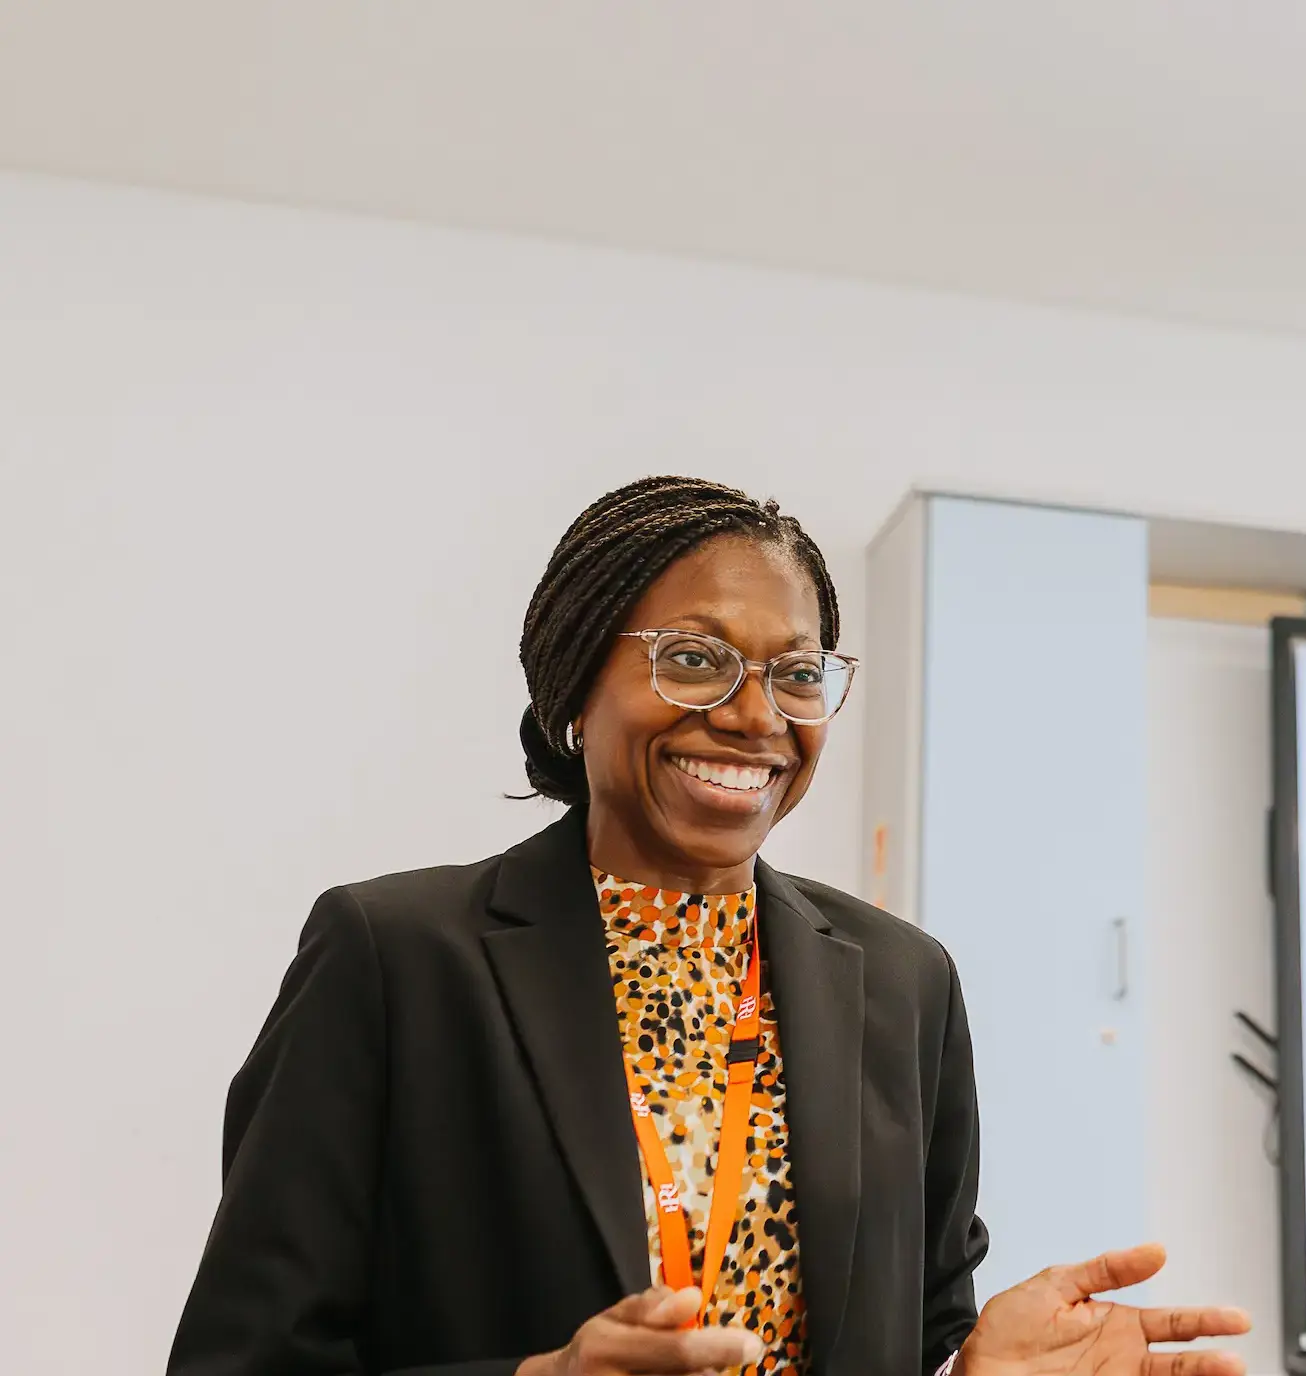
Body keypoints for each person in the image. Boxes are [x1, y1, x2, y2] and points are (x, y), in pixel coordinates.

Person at [170, 476, 1250, 1376]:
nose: (752, 714)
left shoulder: (901, 982)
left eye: (796, 673)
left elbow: (913, 1330)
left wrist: (975, 1369)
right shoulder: (397, 952)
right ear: (576, 684)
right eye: (692, 658)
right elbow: (241, 1357)